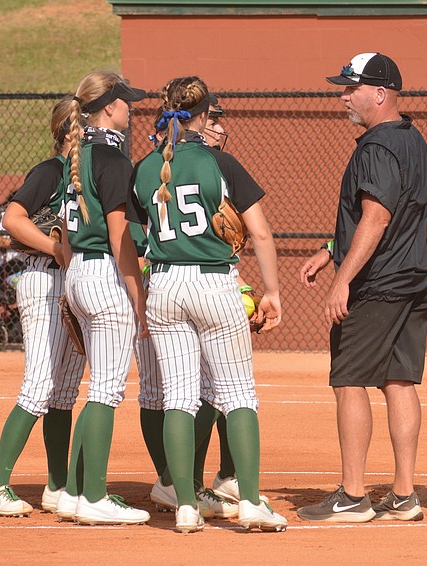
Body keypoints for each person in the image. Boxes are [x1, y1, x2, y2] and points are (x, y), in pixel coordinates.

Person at [130, 75, 287, 533]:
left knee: (177, 397)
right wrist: (273, 291)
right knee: (237, 394)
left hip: (163, 287)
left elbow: (134, 239)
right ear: (202, 116)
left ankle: (184, 504)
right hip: (214, 285)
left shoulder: (143, 168)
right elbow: (258, 232)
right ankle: (252, 502)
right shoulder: (219, 163)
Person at [297, 53, 427, 523]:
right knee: (399, 380)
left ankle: (354, 495)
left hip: (380, 282)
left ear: (379, 94)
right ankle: (403, 494)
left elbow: (376, 219)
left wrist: (342, 280)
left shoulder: (375, 147)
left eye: (351, 88)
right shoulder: (413, 140)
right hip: (413, 276)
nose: (343, 96)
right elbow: (383, 217)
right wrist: (330, 249)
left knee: (350, 380)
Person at [52, 71, 152, 526]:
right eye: (125, 102)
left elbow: (65, 233)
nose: (131, 109)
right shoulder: (112, 158)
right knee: (107, 392)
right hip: (106, 276)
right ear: (108, 107)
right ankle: (93, 495)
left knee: (98, 390)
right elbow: (119, 238)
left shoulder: (77, 154)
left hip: (78, 273)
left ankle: (74, 493)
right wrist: (138, 295)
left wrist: (77, 281)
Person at [0, 98, 87, 517]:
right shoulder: (49, 172)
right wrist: (55, 247)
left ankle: (57, 486)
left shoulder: (86, 174)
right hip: (43, 277)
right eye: (84, 126)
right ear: (69, 132)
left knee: (63, 393)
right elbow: (12, 218)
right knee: (40, 386)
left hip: (75, 282)